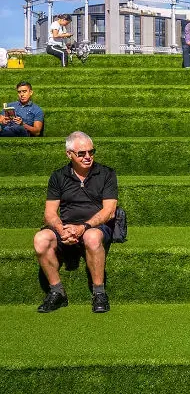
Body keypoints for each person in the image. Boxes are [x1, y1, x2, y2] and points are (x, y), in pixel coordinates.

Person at [33, 132, 119, 314]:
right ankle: (57, 292)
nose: (88, 157)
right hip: (65, 226)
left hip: (94, 227)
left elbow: (109, 210)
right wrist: (61, 229)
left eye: (91, 152)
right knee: (41, 239)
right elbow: (49, 212)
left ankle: (99, 292)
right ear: (69, 154)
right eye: (81, 153)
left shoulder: (106, 174)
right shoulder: (58, 176)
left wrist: (83, 227)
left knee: (92, 237)